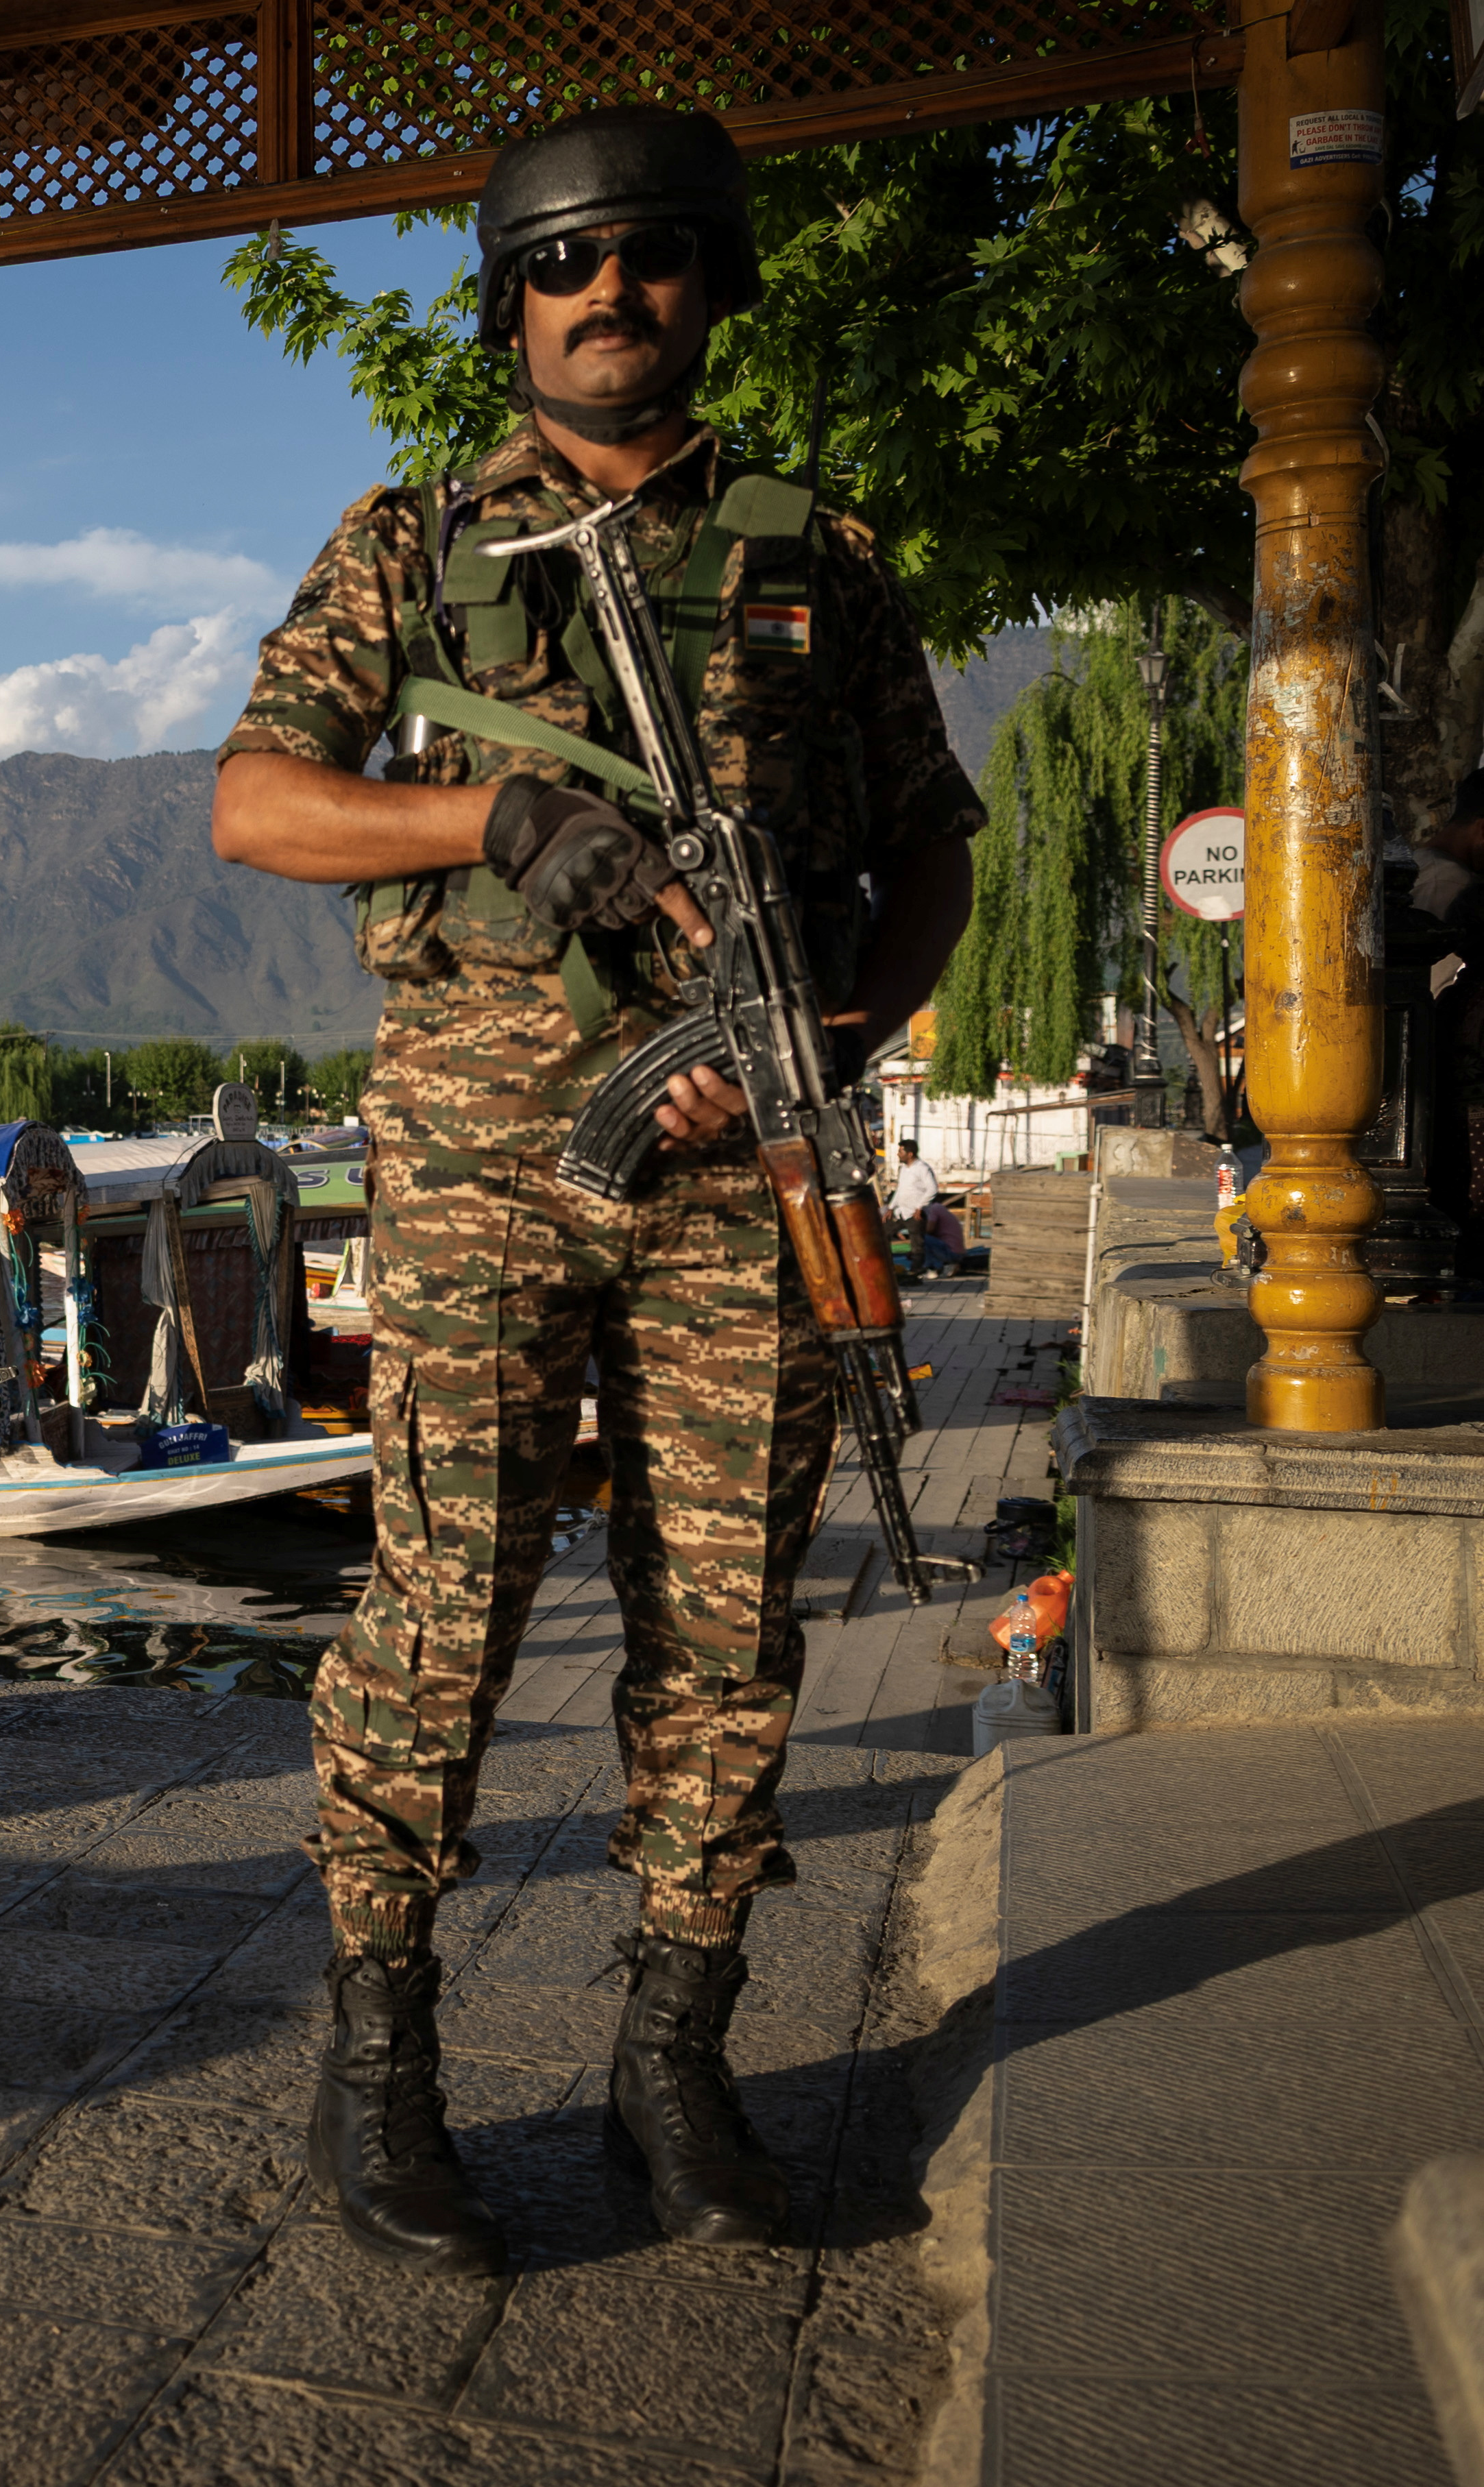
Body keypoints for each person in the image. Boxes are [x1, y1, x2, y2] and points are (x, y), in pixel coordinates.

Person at [207, 104, 981, 2273]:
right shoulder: (411, 538)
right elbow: (256, 804)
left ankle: (674, 2059)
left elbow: (928, 836)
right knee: (444, 1611)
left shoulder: (816, 549)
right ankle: (386, 2073)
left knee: (724, 1633)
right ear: (509, 300)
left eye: (646, 254)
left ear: (705, 280)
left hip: (752, 1179)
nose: (606, 291)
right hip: (475, 1173)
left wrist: (834, 1035)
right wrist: (484, 827)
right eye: (563, 263)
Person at [891, 1141, 958, 1276]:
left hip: (915, 1213)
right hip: (902, 1212)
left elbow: (933, 1188)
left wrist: (919, 1207)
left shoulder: (922, 1168)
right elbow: (900, 1190)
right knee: (884, 1232)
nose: (898, 1154)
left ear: (910, 1154)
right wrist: (891, 1207)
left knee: (919, 1242)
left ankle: (918, 1269)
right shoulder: (904, 1169)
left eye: (901, 1152)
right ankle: (889, 1264)